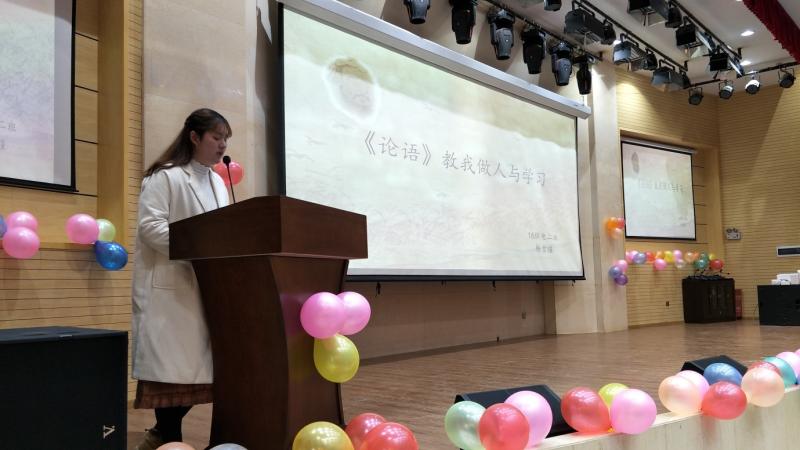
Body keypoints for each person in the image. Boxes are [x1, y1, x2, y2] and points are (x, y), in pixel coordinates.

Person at [131, 108, 232, 450]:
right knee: (171, 374)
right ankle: (169, 438)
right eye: (216, 137)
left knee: (198, 372)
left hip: (209, 287)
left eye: (225, 139)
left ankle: (161, 436)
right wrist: (199, 250)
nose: (222, 145)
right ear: (194, 137)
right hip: (171, 289)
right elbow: (150, 228)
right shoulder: (165, 176)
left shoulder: (217, 181)